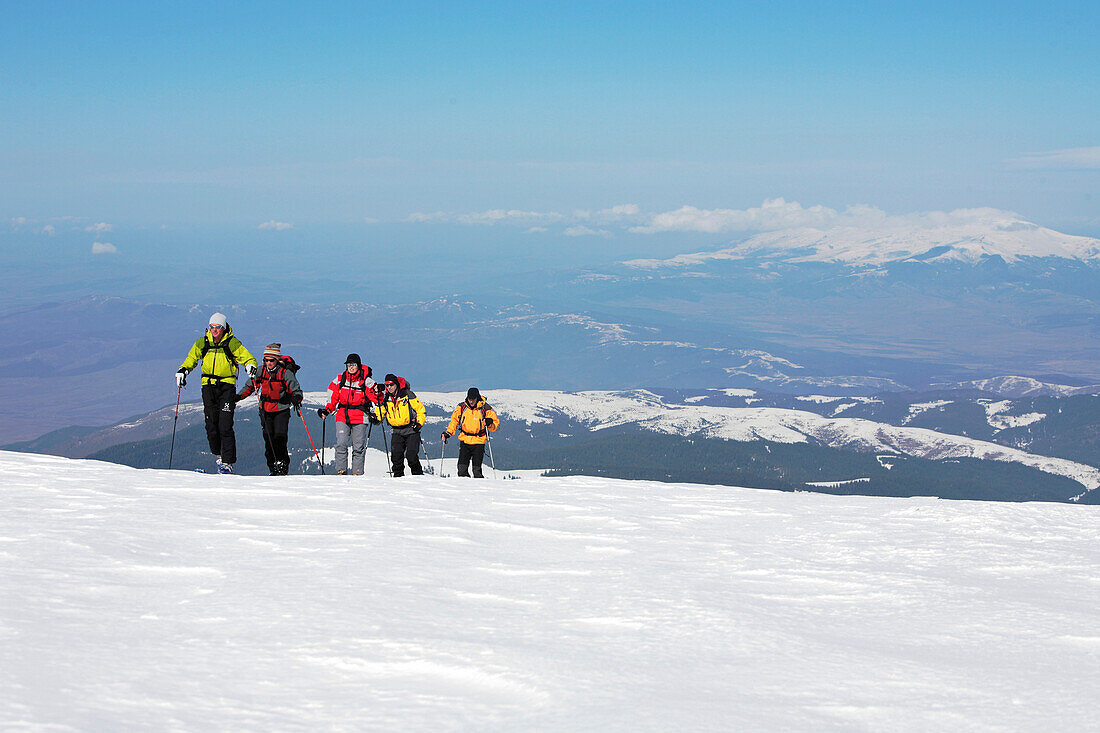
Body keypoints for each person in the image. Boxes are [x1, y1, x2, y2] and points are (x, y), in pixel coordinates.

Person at [176, 312, 258, 474]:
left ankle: (227, 462)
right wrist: (183, 370)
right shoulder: (203, 342)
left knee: (225, 425)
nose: (214, 330)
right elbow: (192, 358)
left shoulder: (232, 343)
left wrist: (249, 365)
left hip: (227, 386)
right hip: (208, 386)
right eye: (212, 327)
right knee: (211, 424)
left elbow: (248, 358)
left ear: (224, 327)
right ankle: (219, 455)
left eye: (218, 327)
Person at [236, 343, 303, 476]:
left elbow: (296, 390)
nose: (268, 363)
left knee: (280, 438)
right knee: (269, 441)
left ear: (277, 360)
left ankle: (282, 466)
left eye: (271, 360)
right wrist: (238, 397)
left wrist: (297, 398)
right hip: (266, 410)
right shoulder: (261, 371)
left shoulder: (285, 373)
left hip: (281, 409)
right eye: (266, 360)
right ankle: (273, 468)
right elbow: (250, 386)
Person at [317, 354, 380, 475]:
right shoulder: (340, 379)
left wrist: (378, 391)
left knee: (358, 447)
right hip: (342, 415)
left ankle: (357, 472)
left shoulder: (366, 381)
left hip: (360, 416)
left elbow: (377, 399)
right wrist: (327, 410)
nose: (351, 367)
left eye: (353, 365)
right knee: (341, 444)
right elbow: (333, 397)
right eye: (349, 365)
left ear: (358, 366)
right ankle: (341, 471)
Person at [373, 373, 427, 477]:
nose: (389, 387)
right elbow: (380, 412)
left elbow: (420, 409)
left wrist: (419, 423)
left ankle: (418, 476)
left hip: (411, 429)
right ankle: (398, 478)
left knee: (411, 456)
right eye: (387, 385)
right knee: (396, 457)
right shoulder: (386, 398)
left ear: (396, 384)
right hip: (396, 431)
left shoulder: (407, 395)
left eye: (391, 385)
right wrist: (375, 418)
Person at [442, 387, 499, 478]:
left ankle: (479, 489)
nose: (471, 401)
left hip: (479, 441)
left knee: (476, 471)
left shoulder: (485, 408)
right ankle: (465, 489)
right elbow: (454, 421)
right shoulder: (462, 407)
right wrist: (448, 433)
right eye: (469, 399)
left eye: (473, 399)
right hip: (465, 440)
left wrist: (490, 422)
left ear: (477, 398)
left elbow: (496, 426)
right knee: (461, 469)